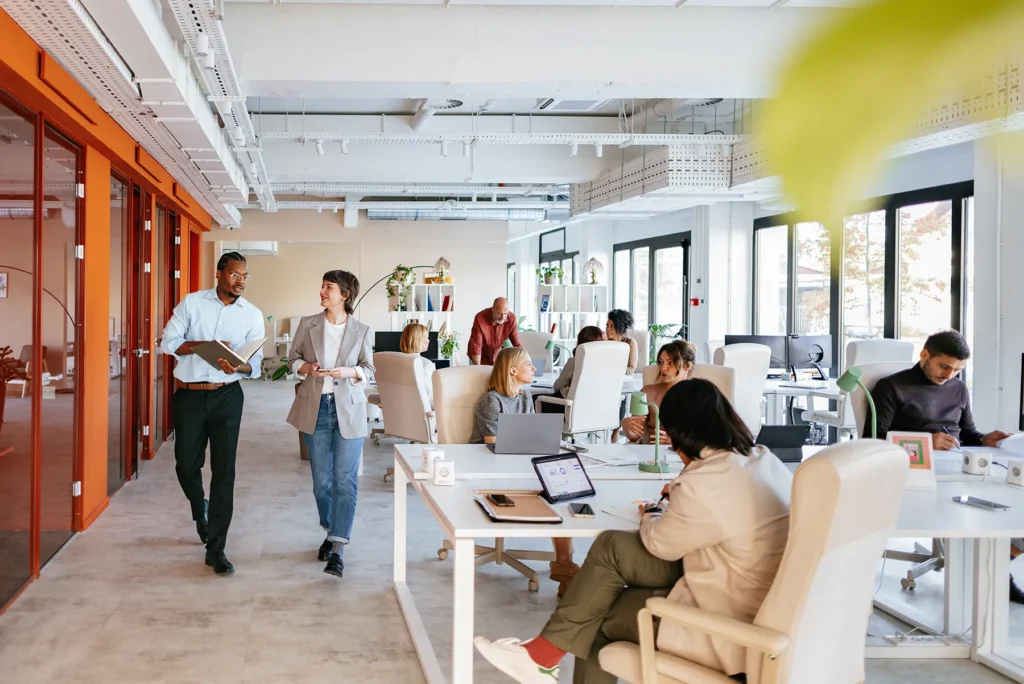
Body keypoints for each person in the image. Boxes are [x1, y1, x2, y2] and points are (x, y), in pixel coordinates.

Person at [473, 379, 793, 684]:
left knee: (595, 608)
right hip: (756, 603)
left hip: (726, 624)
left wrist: (654, 511)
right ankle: (541, 655)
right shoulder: (763, 460)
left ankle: (542, 657)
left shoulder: (706, 483)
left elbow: (660, 545)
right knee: (609, 553)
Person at [872, 329, 1019, 599]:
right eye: (944, 366)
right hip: (916, 472)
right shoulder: (891, 386)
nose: (949, 375)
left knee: (1011, 508)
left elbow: (966, 433)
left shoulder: (959, 389)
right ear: (925, 355)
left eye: (957, 370)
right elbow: (874, 439)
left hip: (957, 468)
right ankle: (994, 571)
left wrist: (986, 438)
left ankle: (997, 564)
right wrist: (927, 441)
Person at [161, 251, 266, 575]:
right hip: (190, 396)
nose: (241, 281)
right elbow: (168, 342)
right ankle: (199, 509)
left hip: (227, 397)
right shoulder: (191, 304)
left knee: (224, 473)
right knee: (186, 465)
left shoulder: (252, 314)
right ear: (220, 273)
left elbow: (256, 367)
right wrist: (203, 346)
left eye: (245, 276)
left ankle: (216, 548)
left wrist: (239, 363)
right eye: (236, 275)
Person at [286, 270, 375, 579]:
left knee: (345, 481)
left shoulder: (362, 330)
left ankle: (337, 549)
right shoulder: (307, 324)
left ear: (344, 295)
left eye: (329, 287)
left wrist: (348, 372)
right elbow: (291, 360)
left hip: (348, 411)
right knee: (322, 482)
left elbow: (368, 369)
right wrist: (306, 367)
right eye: (322, 286)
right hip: (317, 410)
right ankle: (331, 529)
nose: (322, 291)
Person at [470, 347, 576, 595]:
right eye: (529, 364)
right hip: (491, 466)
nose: (534, 368)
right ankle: (564, 564)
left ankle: (564, 563)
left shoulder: (526, 397)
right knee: (550, 487)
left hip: (521, 461)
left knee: (562, 488)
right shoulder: (491, 401)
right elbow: (491, 443)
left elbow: (529, 436)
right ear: (513, 370)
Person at [621, 340, 696, 445]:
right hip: (650, 454)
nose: (663, 368)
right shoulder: (647, 393)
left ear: (687, 366)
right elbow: (635, 436)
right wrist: (626, 425)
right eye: (661, 362)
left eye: (671, 363)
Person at [551, 326, 606, 398]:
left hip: (570, 405)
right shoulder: (607, 364)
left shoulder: (575, 362)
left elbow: (557, 386)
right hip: (598, 404)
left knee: (535, 398)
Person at [468, 297, 522, 366]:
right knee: (478, 376)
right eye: (499, 313)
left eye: (505, 314)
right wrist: (478, 368)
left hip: (496, 358)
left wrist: (525, 363)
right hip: (479, 358)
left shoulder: (511, 319)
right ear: (492, 309)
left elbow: (517, 344)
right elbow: (477, 346)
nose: (503, 318)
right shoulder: (480, 318)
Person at [400, 322, 435, 409]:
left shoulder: (394, 361)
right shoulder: (426, 364)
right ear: (418, 340)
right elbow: (431, 398)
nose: (428, 340)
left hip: (398, 414)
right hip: (421, 417)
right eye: (426, 337)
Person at [605, 309, 639, 375]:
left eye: (612, 326)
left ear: (621, 328)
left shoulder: (630, 343)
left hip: (624, 379)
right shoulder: (603, 342)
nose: (608, 329)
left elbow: (631, 368)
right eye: (607, 325)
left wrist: (614, 371)